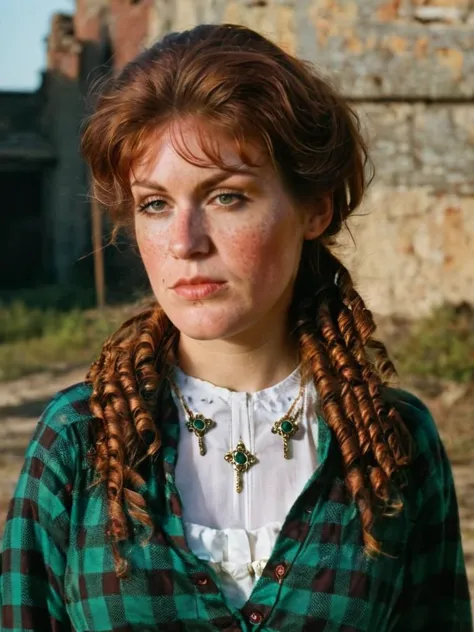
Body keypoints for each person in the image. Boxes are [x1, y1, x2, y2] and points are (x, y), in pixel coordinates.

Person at [0, 23, 472, 632]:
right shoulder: (77, 442)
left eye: (227, 197)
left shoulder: (392, 444)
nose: (183, 243)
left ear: (315, 208)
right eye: (155, 204)